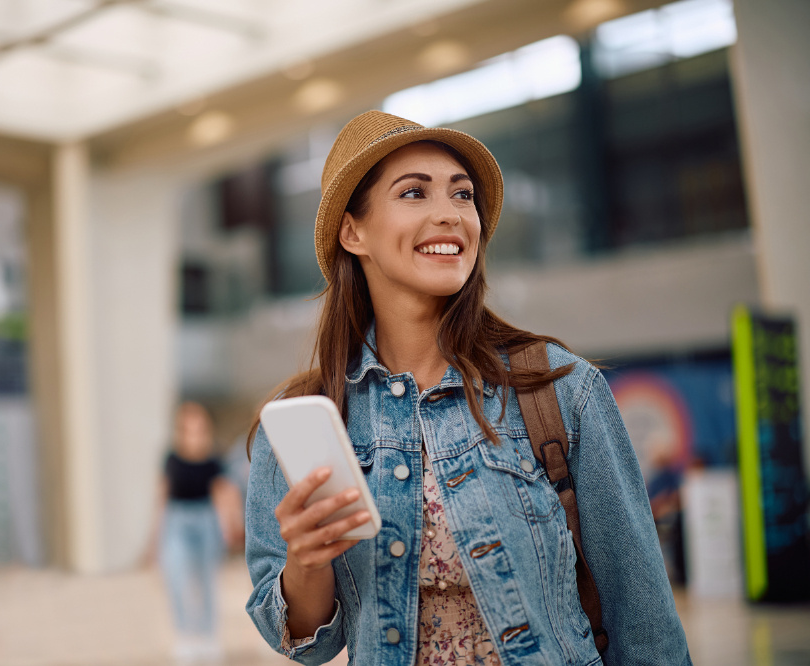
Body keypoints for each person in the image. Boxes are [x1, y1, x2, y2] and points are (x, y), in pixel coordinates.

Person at [244, 110, 692, 665]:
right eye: (413, 193)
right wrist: (306, 561)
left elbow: (643, 617)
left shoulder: (561, 390)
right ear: (352, 231)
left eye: (462, 195)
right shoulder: (307, 419)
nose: (450, 215)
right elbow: (308, 643)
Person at [155, 401, 243, 663]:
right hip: (176, 520)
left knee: (206, 581)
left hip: (206, 520)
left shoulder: (214, 459)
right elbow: (161, 496)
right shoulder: (171, 457)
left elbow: (226, 494)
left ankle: (207, 635)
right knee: (176, 577)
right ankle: (184, 635)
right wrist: (154, 538)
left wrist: (233, 526)